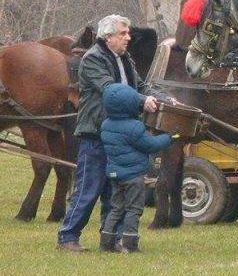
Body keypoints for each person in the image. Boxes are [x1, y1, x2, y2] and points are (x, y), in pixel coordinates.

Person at [57, 15, 171, 252]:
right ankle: (68, 237)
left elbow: (141, 86)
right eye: (123, 33)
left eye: (128, 33)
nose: (128, 38)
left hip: (120, 135)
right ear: (107, 36)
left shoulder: (125, 58)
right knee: (88, 189)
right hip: (95, 133)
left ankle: (112, 239)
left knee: (116, 192)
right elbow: (111, 91)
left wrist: (164, 98)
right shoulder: (93, 59)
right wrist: (142, 101)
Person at [99, 84, 174, 253]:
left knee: (116, 208)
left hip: (115, 174)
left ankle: (106, 242)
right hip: (133, 176)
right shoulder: (134, 127)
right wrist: (170, 138)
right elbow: (151, 145)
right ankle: (130, 243)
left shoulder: (105, 125)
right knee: (134, 209)